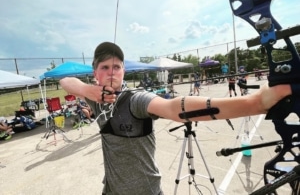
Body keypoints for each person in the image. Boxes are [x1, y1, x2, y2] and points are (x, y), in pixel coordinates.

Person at [60, 41, 291, 195]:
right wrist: (87, 90)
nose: (111, 71)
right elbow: (65, 81)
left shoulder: (136, 100)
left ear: (123, 72)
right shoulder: (95, 99)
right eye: (105, 66)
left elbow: (174, 107)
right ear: (95, 73)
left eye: (117, 67)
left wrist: (254, 103)